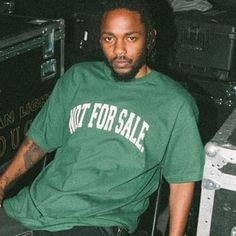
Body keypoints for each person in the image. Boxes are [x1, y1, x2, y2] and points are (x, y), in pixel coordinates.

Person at [0, 0, 204, 235]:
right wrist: (3, 182)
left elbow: (181, 182)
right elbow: (39, 141)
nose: (119, 50)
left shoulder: (175, 103)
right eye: (109, 38)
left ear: (150, 37)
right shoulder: (78, 78)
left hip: (98, 220)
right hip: (34, 206)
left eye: (130, 38)